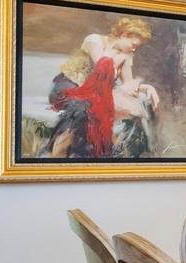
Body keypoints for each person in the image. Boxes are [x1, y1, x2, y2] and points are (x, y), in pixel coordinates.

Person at [45, 16, 161, 158]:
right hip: (68, 86)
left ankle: (134, 152)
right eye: (133, 45)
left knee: (130, 107)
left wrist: (147, 87)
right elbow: (103, 69)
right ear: (124, 35)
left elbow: (128, 85)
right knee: (86, 108)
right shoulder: (94, 41)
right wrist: (120, 57)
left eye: (136, 47)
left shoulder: (127, 55)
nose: (134, 49)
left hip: (94, 92)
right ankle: (59, 150)